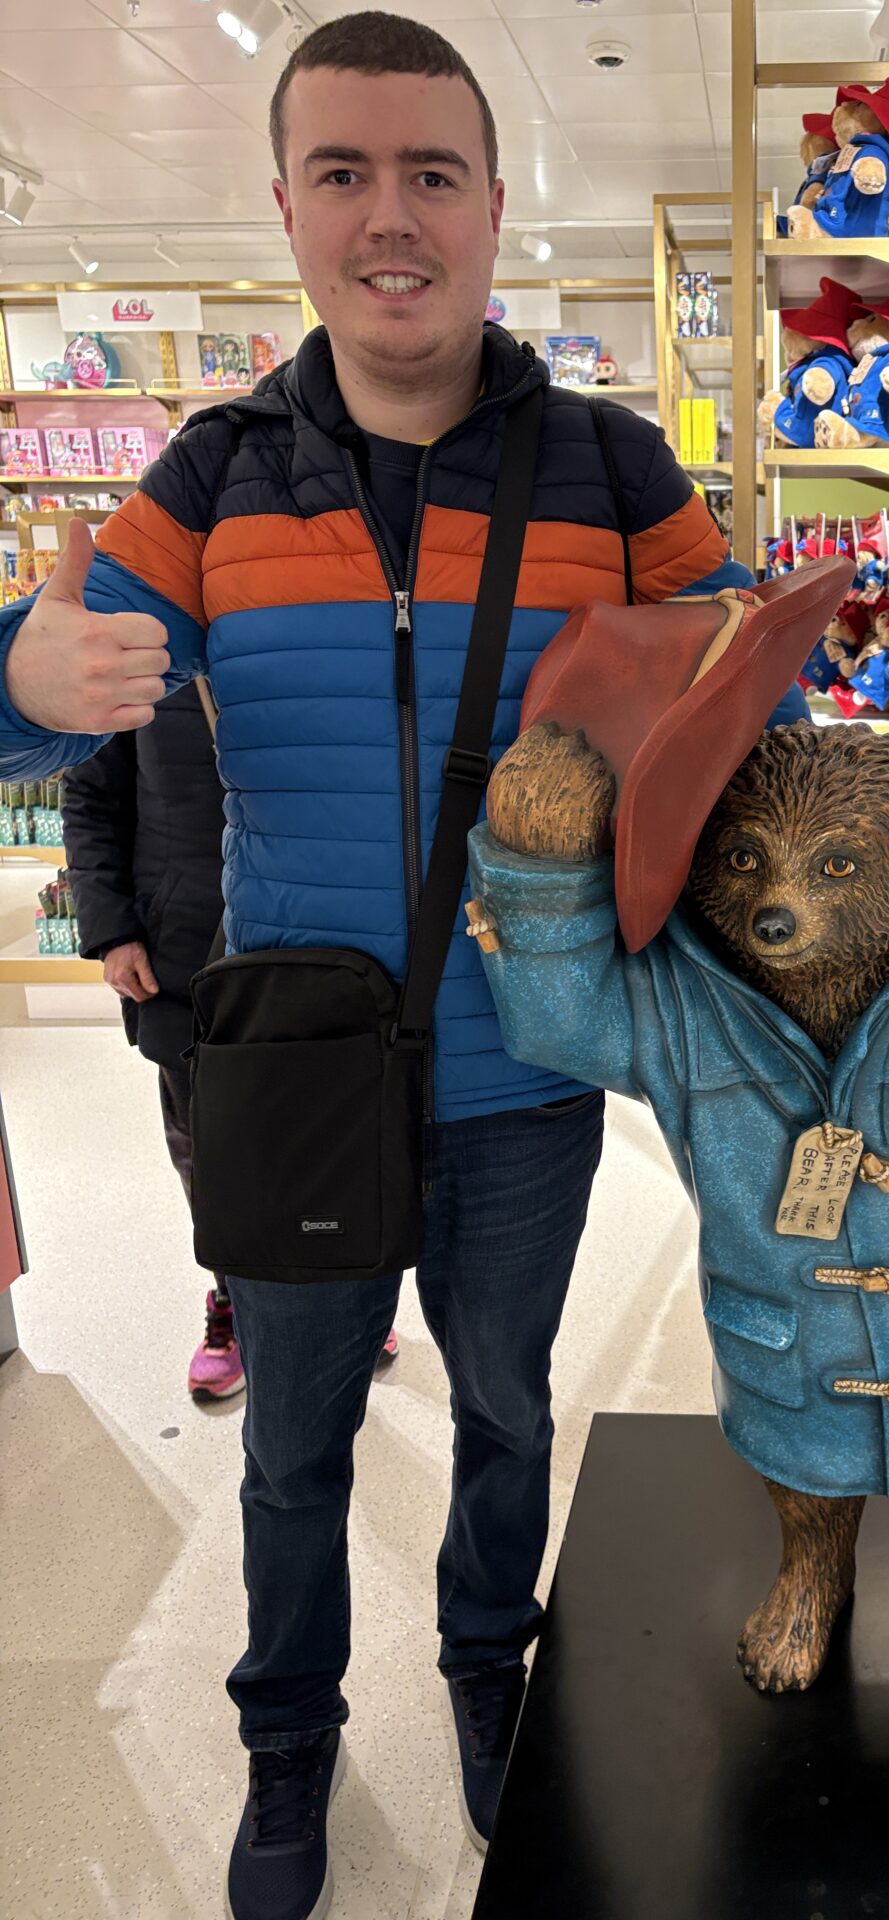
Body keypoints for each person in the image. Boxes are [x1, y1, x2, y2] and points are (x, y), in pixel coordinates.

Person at [0, 13, 807, 1918]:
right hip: (293, 1069)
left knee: (508, 1412)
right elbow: (43, 688)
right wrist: (22, 683)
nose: (391, 216)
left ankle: (487, 1671)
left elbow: (745, 710)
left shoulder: (612, 466)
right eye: (345, 173)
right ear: (287, 207)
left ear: (493, 207)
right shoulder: (206, 477)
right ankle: (286, 1742)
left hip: (528, 1067)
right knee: (291, 1447)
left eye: (431, 173)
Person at [60, 685, 399, 1402]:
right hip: (180, 953)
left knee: (334, 1136)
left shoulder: (305, 637)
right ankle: (238, 1301)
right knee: (208, 1155)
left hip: (322, 948)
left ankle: (346, 1292)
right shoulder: (142, 657)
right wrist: (111, 928)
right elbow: (91, 794)